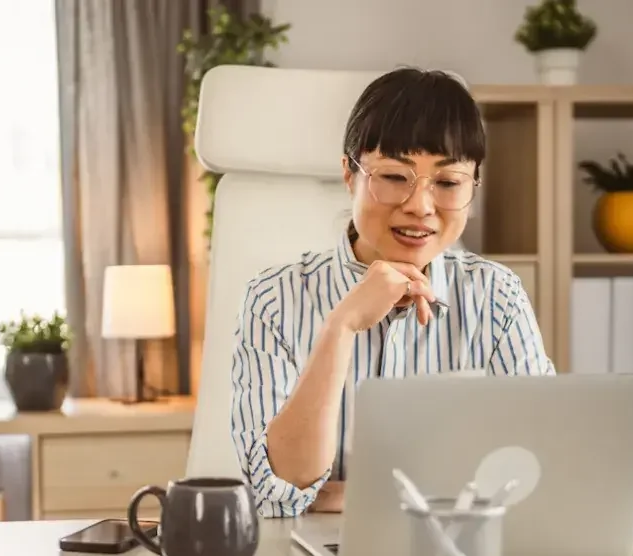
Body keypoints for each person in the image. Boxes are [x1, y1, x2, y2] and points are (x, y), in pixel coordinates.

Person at [229, 68, 556, 519]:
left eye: (447, 183)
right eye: (395, 176)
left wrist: (357, 494)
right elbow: (278, 492)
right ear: (349, 174)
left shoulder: (496, 297)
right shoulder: (274, 299)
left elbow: (535, 474)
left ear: (473, 187)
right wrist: (341, 326)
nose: (420, 205)